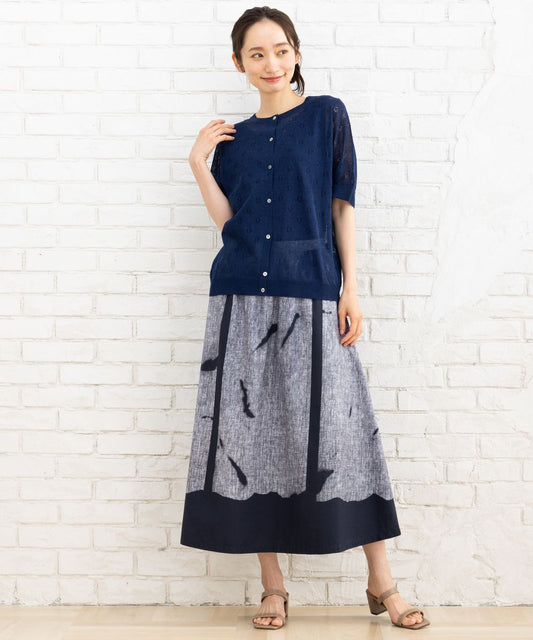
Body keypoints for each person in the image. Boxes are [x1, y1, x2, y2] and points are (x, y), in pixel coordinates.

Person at [181, 5, 430, 632]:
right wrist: (198, 166)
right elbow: (230, 225)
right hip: (240, 299)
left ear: (296, 54)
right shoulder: (233, 140)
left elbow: (342, 207)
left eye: (281, 50)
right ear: (238, 63)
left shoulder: (326, 116)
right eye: (257, 54)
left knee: (345, 435)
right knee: (248, 440)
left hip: (315, 294)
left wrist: (351, 289)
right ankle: (273, 588)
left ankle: (382, 581)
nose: (271, 63)